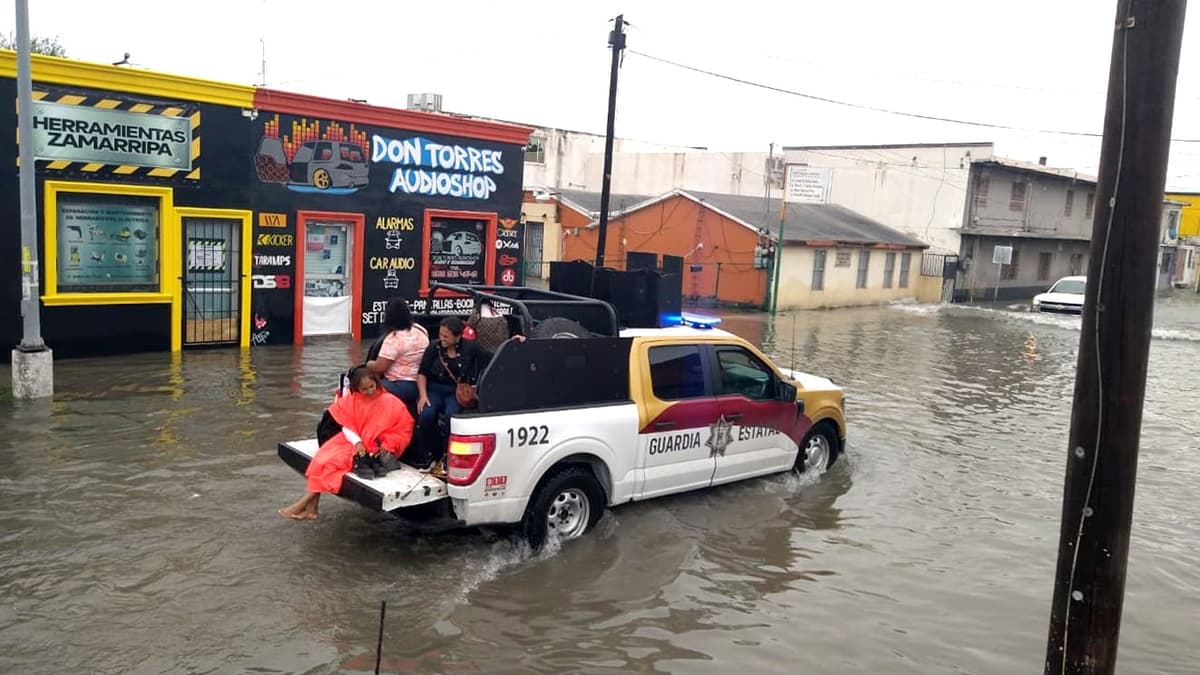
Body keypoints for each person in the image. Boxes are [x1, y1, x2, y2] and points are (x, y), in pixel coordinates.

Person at [278, 367, 414, 521]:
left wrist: (389, 443)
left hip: (374, 447)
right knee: (321, 459)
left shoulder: (391, 402)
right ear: (356, 388)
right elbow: (347, 424)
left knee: (331, 464)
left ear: (377, 383)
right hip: (353, 441)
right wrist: (357, 442)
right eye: (364, 389)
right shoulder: (352, 399)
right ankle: (311, 508)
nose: (369, 391)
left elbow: (403, 429)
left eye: (372, 387)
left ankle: (305, 504)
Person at [416, 317, 492, 475]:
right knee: (426, 415)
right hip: (434, 389)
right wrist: (423, 396)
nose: (442, 339)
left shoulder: (470, 347)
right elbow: (422, 373)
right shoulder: (433, 347)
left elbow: (491, 358)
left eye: (446, 336)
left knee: (451, 417)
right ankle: (429, 455)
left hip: (454, 391)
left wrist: (514, 341)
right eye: (441, 335)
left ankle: (446, 456)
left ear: (457, 337)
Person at [366, 298, 429, 417]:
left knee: (364, 388)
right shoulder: (421, 330)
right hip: (421, 384)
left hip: (398, 384)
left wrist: (369, 364)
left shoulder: (393, 339)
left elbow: (379, 367)